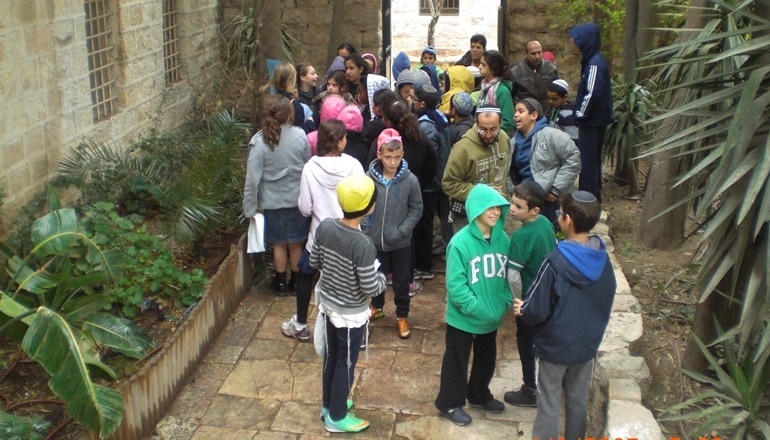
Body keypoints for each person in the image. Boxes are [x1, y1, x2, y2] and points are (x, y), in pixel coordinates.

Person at [514, 190, 616, 440]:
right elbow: (608, 293)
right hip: (585, 346)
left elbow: (536, 308)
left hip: (555, 347)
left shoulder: (555, 262)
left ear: (567, 220)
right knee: (576, 399)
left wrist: (522, 309)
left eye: (560, 213)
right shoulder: (602, 258)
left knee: (549, 401)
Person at [312, 174, 386, 433]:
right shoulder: (363, 243)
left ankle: (328, 405)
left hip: (328, 307)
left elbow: (314, 262)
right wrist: (381, 279)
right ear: (369, 207)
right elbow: (369, 286)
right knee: (346, 364)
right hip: (350, 316)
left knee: (331, 359)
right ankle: (337, 417)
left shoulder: (326, 227)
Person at [280, 119, 365, 342]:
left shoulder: (310, 167)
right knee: (353, 279)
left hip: (320, 236)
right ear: (338, 142)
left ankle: (300, 323)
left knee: (306, 273)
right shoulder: (354, 165)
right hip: (350, 235)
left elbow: (305, 208)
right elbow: (364, 199)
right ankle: (357, 327)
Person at [434, 183, 511, 426]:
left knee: (487, 359)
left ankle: (479, 395)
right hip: (464, 318)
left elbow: (510, 277)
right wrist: (476, 308)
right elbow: (456, 287)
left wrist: (503, 302)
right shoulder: (459, 243)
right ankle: (449, 403)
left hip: (492, 317)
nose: (495, 212)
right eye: (490, 207)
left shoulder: (504, 240)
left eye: (498, 207)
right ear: (476, 208)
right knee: (457, 360)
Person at [243, 94, 311, 296]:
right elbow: (308, 167)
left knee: (279, 243)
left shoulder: (259, 142)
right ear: (289, 113)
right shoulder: (300, 136)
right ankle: (297, 282)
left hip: (273, 202)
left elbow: (252, 179)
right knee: (296, 243)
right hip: (297, 200)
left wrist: (250, 208)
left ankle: (280, 282)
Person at [364, 129, 423, 338]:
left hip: (400, 242)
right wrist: (366, 227)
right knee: (375, 276)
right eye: (388, 157)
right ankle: (377, 307)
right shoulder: (368, 178)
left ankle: (402, 315)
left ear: (402, 154)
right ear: (379, 155)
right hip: (374, 240)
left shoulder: (410, 181)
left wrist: (403, 230)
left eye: (397, 157)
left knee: (401, 280)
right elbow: (362, 204)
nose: (392, 162)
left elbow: (416, 208)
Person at [503, 180, 557, 407]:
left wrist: (518, 301)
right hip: (549, 295)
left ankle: (529, 389)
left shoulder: (521, 237)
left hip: (529, 299)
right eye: (513, 203)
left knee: (525, 343)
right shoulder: (545, 223)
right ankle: (554, 384)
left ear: (534, 209)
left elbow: (513, 275)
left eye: (518, 206)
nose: (513, 209)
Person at [509, 98, 581, 226]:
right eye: (515, 111)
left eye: (521, 111)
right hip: (526, 200)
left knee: (550, 234)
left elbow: (573, 158)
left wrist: (556, 189)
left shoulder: (552, 135)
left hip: (549, 200)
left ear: (534, 115)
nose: (515, 115)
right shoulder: (513, 142)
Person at [442, 105, 510, 233]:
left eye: (493, 129)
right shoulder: (462, 148)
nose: (488, 135)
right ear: (476, 123)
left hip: (496, 211)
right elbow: (449, 184)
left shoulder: (504, 139)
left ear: (500, 124)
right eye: (483, 129)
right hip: (469, 216)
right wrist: (482, 191)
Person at [569, 22, 613, 202]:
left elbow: (592, 93)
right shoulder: (593, 61)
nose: (575, 45)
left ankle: (586, 199)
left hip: (592, 121)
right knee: (592, 161)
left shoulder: (594, 64)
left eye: (578, 41)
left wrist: (580, 114)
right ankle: (593, 196)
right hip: (595, 120)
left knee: (588, 162)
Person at [414, 84, 451, 280]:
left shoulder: (426, 125)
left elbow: (429, 155)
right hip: (438, 177)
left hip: (430, 182)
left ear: (421, 103)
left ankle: (424, 265)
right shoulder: (440, 117)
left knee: (425, 223)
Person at [509, 40, 560, 114]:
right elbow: (510, 96)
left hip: (546, 113)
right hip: (525, 115)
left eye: (539, 52)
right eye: (533, 54)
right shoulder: (515, 71)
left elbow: (558, 91)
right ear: (525, 54)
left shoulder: (551, 68)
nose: (537, 56)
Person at [477, 50, 515, 135]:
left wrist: (490, 131)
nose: (479, 67)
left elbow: (508, 121)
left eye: (483, 65)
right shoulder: (484, 87)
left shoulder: (502, 91)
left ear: (493, 68)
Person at [271, 62, 315, 133]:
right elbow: (300, 133)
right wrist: (310, 123)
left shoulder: (271, 101)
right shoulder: (295, 105)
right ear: (292, 79)